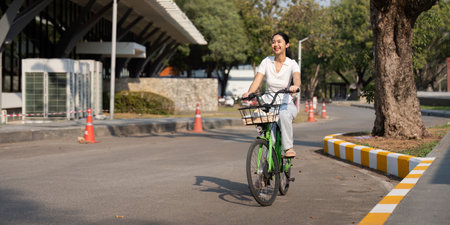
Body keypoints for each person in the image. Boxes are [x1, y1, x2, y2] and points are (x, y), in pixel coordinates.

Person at [242, 32, 301, 158]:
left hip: (285, 104)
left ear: (287, 45)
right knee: (269, 138)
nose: (276, 44)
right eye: (273, 42)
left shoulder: (292, 64)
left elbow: (297, 78)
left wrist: (295, 87)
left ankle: (288, 147)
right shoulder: (266, 62)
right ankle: (263, 170)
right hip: (268, 105)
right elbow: (257, 80)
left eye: (279, 41)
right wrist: (249, 93)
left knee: (284, 114)